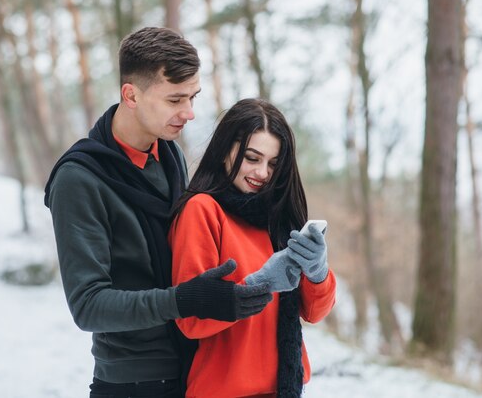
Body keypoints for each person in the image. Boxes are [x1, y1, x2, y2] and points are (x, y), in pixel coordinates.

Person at [44, 27, 272, 398]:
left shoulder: (169, 156)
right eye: (175, 100)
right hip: (134, 381)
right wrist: (184, 300)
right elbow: (88, 306)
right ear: (131, 95)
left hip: (193, 368)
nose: (190, 113)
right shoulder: (78, 179)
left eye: (193, 97)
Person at [170, 98, 337, 398]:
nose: (262, 173)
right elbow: (189, 318)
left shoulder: (278, 217)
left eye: (273, 163)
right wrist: (258, 284)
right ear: (225, 152)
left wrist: (317, 272)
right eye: (251, 157)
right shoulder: (203, 210)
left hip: (284, 390)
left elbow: (313, 313)